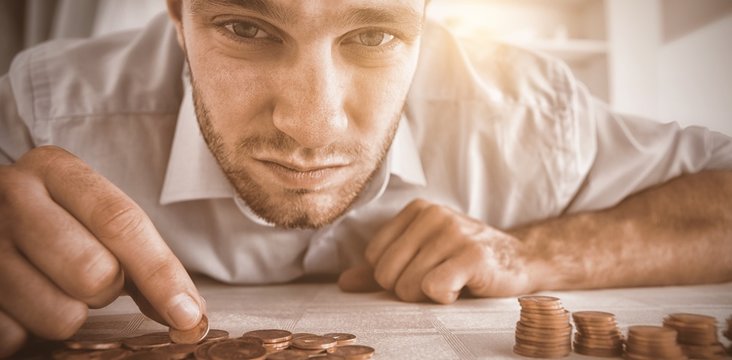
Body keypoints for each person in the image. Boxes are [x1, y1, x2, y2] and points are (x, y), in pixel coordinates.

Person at [1, 0, 731, 356]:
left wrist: (532, 252)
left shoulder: (527, 118)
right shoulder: (48, 110)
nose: (312, 127)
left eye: (374, 36)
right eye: (246, 28)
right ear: (176, 10)